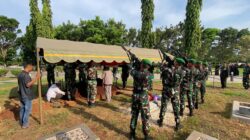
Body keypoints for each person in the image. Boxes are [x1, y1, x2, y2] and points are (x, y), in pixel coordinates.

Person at [157, 58, 185, 131]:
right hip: (175, 91)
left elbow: (162, 69)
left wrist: (166, 64)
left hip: (166, 90)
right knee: (176, 107)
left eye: (175, 61)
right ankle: (177, 124)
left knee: (164, 105)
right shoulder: (183, 72)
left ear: (176, 63)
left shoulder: (168, 70)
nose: (174, 62)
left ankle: (161, 121)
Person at [130, 59, 152, 140]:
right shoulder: (150, 75)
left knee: (134, 115)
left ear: (142, 65)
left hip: (135, 96)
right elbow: (150, 87)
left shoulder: (135, 73)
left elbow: (130, 69)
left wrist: (133, 61)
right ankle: (146, 135)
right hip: (144, 97)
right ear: (148, 66)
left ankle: (132, 134)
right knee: (145, 117)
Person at [17, 63, 40, 129]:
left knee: (22, 109)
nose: (32, 68)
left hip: (22, 94)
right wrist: (36, 78)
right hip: (27, 95)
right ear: (28, 67)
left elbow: (21, 84)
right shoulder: (26, 75)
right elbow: (28, 84)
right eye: (32, 67)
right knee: (27, 110)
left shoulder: (20, 74)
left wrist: (32, 79)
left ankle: (21, 122)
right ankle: (25, 124)